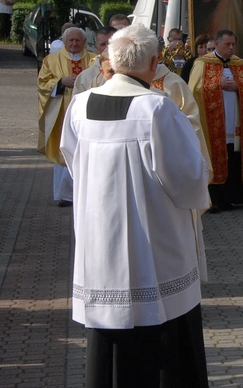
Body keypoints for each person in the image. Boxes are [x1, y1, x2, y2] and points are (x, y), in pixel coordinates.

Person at [60, 24, 210, 386]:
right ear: (155, 62)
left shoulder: (80, 106)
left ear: (109, 59)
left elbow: (72, 161)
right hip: (155, 248)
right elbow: (189, 178)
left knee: (111, 347)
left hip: (100, 246)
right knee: (161, 335)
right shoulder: (157, 109)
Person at [189, 29, 243, 212]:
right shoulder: (202, 63)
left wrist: (240, 87)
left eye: (233, 44)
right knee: (213, 158)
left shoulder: (240, 64)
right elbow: (194, 90)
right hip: (213, 124)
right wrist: (217, 85)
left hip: (236, 122)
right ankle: (214, 199)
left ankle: (232, 197)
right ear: (217, 44)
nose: (231, 48)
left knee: (233, 158)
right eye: (227, 44)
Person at [37, 27, 97, 207]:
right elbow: (42, 83)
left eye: (78, 40)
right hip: (61, 112)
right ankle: (64, 194)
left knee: (84, 149)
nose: (74, 43)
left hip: (88, 111)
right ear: (64, 42)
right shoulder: (51, 60)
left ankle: (85, 193)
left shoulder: (94, 60)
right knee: (63, 147)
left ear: (85, 42)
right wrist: (61, 82)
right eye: (70, 40)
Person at [73, 26, 117, 95]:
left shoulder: (132, 71)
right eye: (103, 44)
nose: (107, 47)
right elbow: (78, 103)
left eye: (111, 43)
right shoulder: (84, 77)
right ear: (97, 48)